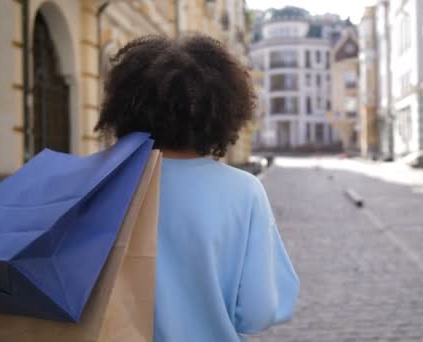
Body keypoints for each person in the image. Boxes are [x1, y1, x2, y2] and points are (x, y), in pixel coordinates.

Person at [95, 34, 299, 341]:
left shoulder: (101, 182)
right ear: (223, 110)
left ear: (125, 107)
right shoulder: (243, 191)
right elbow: (258, 311)